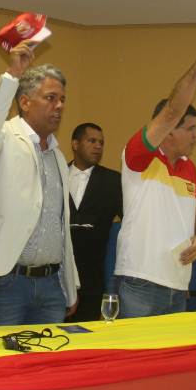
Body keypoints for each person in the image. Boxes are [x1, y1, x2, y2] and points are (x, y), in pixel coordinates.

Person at [0, 41, 79, 326]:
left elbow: (59, 226)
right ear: (25, 102)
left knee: (48, 356)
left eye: (62, 99)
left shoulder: (58, 155)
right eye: (51, 98)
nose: (59, 105)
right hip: (5, 282)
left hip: (50, 284)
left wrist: (68, 285)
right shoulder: (3, 137)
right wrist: (13, 75)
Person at [115, 38, 196, 318]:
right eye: (190, 129)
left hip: (178, 286)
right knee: (138, 348)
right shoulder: (139, 157)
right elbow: (173, 110)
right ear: (168, 131)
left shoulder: (190, 168)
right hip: (141, 282)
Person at [67, 123, 121, 322]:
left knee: (86, 333)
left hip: (93, 278)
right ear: (75, 144)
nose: (98, 146)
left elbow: (130, 222)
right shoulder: (57, 175)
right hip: (57, 277)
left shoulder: (113, 181)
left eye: (101, 143)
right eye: (91, 141)